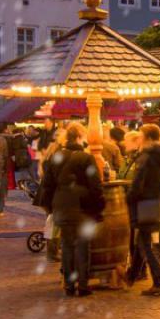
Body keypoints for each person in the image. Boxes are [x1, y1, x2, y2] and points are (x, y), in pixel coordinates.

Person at [40, 124, 105, 297]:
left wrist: (51, 207)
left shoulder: (56, 157)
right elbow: (95, 186)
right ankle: (83, 285)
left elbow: (47, 185)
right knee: (83, 246)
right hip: (82, 207)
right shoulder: (85, 158)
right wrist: (98, 207)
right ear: (80, 137)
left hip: (61, 206)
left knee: (67, 245)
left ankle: (69, 284)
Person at [127, 123, 160, 297]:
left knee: (145, 244)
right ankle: (132, 275)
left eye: (140, 135)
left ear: (146, 138)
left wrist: (130, 197)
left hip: (145, 203)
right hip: (157, 203)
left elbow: (139, 183)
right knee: (142, 242)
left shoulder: (147, 156)